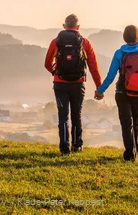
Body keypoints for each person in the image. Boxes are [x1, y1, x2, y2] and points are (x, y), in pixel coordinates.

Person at [95, 25, 138, 161]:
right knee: (136, 123)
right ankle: (134, 153)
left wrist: (100, 91)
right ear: (137, 36)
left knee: (127, 125)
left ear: (125, 37)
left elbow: (111, 75)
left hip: (122, 93)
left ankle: (129, 154)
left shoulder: (119, 53)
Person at [44, 14, 103, 155]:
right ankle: (77, 145)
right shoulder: (85, 43)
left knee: (63, 116)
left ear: (64, 26)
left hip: (60, 84)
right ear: (78, 27)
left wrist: (55, 72)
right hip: (78, 84)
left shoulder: (56, 42)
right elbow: (93, 66)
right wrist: (99, 88)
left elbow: (47, 64)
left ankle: (64, 148)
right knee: (76, 114)